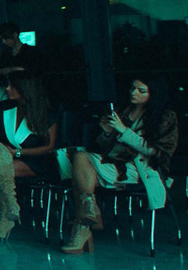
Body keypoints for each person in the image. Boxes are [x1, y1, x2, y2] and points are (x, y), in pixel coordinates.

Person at [58, 77, 179, 254]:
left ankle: (84, 224)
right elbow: (102, 147)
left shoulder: (165, 116)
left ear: (153, 94)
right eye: (132, 88)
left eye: (141, 91)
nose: (134, 93)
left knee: (80, 174)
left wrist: (123, 131)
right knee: (79, 159)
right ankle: (88, 212)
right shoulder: (124, 110)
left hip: (140, 168)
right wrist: (107, 133)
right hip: (112, 162)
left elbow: (157, 152)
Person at [0, 73, 59, 240]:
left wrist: (19, 153)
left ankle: (5, 216)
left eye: (12, 86)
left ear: (25, 89)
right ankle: (11, 204)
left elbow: (49, 146)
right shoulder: (3, 108)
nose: (7, 89)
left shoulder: (46, 113)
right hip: (4, 157)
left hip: (35, 159)